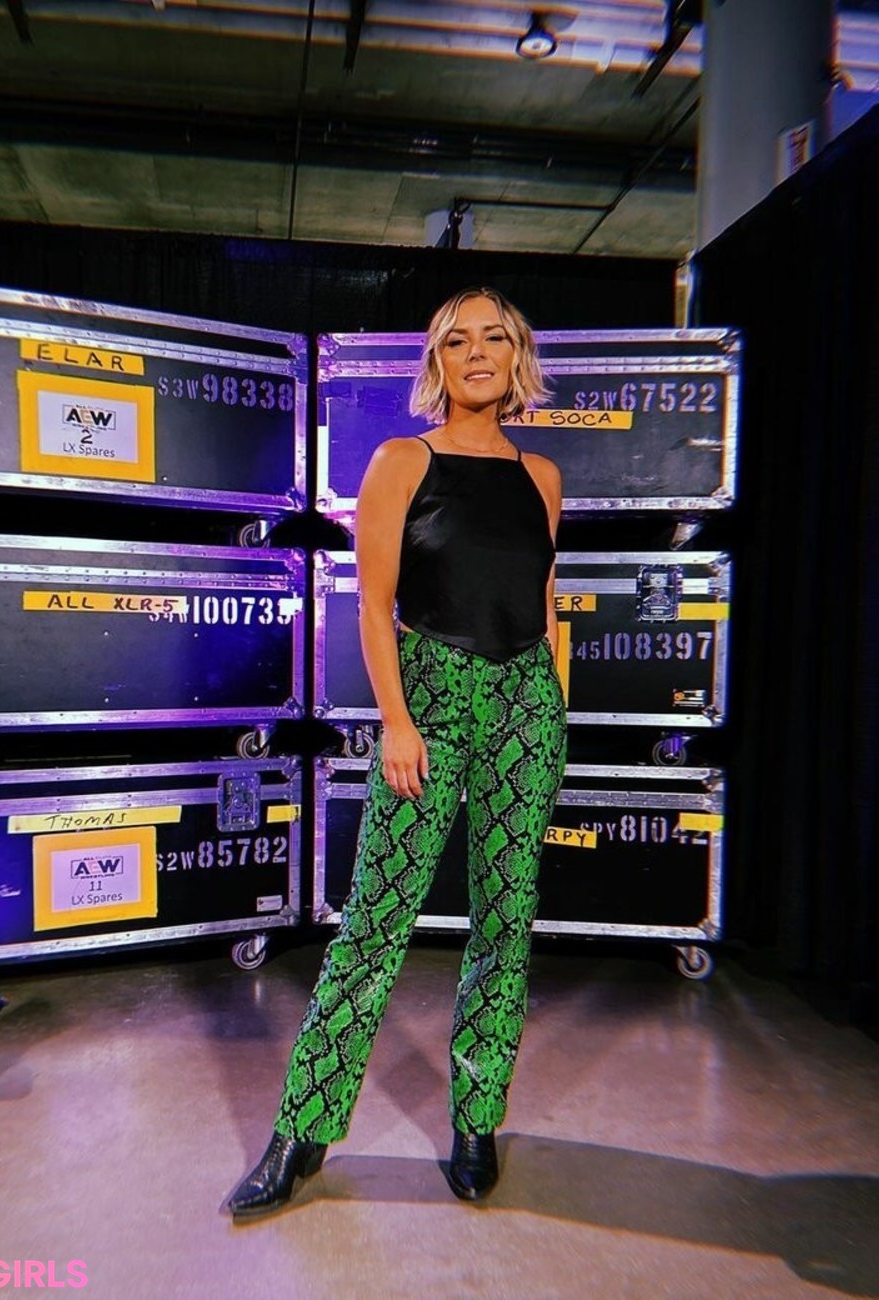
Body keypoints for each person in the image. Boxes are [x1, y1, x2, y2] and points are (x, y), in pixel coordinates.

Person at [225, 287, 568, 1217]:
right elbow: (373, 606)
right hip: (431, 699)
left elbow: (541, 605)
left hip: (525, 708)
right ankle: (300, 1134)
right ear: (438, 363)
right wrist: (399, 722)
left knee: (507, 923)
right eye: (458, 341)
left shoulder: (542, 477)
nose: (478, 352)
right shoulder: (401, 460)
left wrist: (553, 707)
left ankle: (477, 1122)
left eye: (495, 337)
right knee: (375, 923)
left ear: (517, 356)